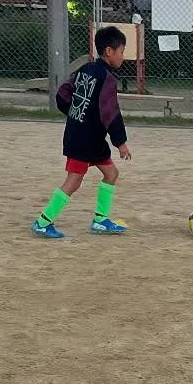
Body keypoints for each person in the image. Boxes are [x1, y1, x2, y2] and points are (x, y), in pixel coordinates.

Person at [33, 25, 133, 239]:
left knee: (111, 174)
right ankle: (43, 222)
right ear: (109, 51)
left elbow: (62, 95)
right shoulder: (107, 79)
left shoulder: (85, 70)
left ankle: (100, 220)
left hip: (89, 138)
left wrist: (76, 115)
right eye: (121, 51)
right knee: (74, 181)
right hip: (83, 140)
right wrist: (121, 142)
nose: (122, 57)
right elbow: (111, 113)